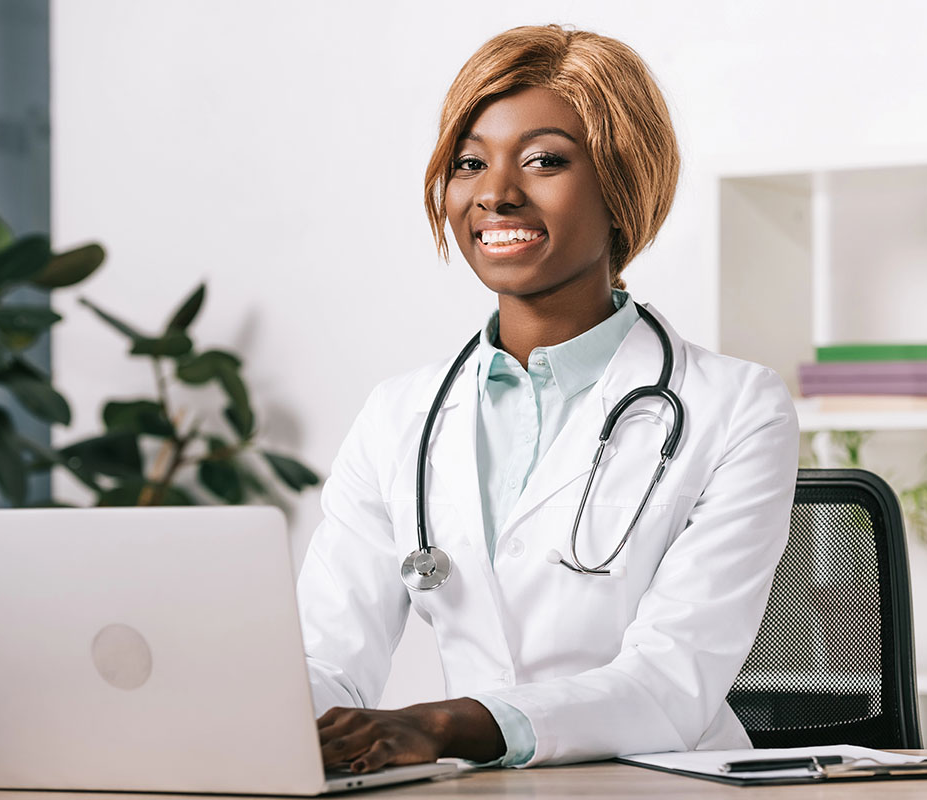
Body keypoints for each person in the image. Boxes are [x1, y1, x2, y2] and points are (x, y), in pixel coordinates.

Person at [298, 24, 799, 774]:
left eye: (544, 161)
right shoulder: (399, 415)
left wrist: (445, 724)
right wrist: (271, 723)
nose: (495, 193)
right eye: (470, 163)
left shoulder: (738, 407)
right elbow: (326, 658)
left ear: (621, 185)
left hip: (661, 788)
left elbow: (668, 685)